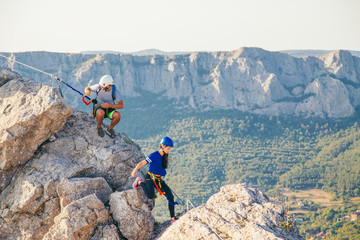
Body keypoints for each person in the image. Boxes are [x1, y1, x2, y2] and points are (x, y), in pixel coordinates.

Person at [131, 136, 178, 223]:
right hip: (150, 177)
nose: (169, 150)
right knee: (150, 195)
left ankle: (173, 218)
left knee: (170, 196)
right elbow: (142, 162)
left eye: (170, 148)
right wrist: (135, 170)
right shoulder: (154, 155)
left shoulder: (165, 154)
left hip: (158, 180)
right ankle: (139, 182)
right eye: (168, 148)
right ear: (163, 146)